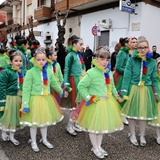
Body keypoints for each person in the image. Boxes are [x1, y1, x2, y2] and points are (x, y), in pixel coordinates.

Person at [74, 46, 123, 159]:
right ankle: (95, 147)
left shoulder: (109, 72)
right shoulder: (91, 72)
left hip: (106, 102)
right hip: (95, 104)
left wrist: (117, 97)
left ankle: (99, 146)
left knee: (101, 127)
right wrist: (88, 97)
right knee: (93, 127)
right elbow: (81, 86)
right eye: (102, 59)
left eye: (107, 59)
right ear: (95, 59)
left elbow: (112, 87)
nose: (105, 62)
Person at [20, 47, 68, 152]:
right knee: (34, 122)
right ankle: (33, 141)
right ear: (34, 59)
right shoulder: (30, 72)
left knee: (44, 122)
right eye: (38, 59)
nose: (41, 62)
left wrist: (61, 92)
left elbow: (54, 84)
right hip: (35, 100)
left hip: (46, 99)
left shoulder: (49, 71)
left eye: (43, 59)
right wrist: (25, 104)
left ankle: (44, 139)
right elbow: (26, 89)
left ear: (46, 59)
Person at [120, 38, 158, 147]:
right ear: (137, 48)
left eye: (145, 47)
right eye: (140, 47)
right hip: (133, 88)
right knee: (131, 114)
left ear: (148, 48)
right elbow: (127, 77)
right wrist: (124, 91)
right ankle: (132, 134)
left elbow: (154, 79)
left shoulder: (152, 62)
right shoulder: (132, 60)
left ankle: (142, 135)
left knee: (143, 114)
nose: (143, 50)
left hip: (146, 90)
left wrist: (156, 93)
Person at [63, 35, 85, 136]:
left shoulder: (78, 55)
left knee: (79, 104)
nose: (82, 46)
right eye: (80, 44)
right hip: (73, 81)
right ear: (74, 44)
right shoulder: (70, 56)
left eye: (82, 44)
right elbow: (66, 70)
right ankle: (69, 125)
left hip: (79, 80)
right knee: (74, 105)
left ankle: (75, 123)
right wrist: (66, 85)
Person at [0, 50, 23, 145]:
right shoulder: (5, 72)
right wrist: (2, 102)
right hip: (9, 98)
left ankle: (12, 136)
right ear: (10, 61)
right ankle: (4, 132)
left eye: (20, 61)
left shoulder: (20, 72)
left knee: (14, 117)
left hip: (17, 97)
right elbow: (2, 87)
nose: (19, 63)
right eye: (16, 61)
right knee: (6, 117)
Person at [113, 37, 132, 125]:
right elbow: (118, 67)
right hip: (121, 77)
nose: (133, 44)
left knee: (125, 94)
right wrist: (128, 72)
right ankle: (119, 115)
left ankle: (122, 113)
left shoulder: (128, 53)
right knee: (120, 94)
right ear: (126, 44)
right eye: (131, 42)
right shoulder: (121, 53)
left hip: (126, 77)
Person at [149, 57, 160, 144]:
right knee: (158, 121)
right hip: (158, 101)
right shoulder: (155, 79)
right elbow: (154, 88)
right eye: (159, 67)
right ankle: (158, 135)